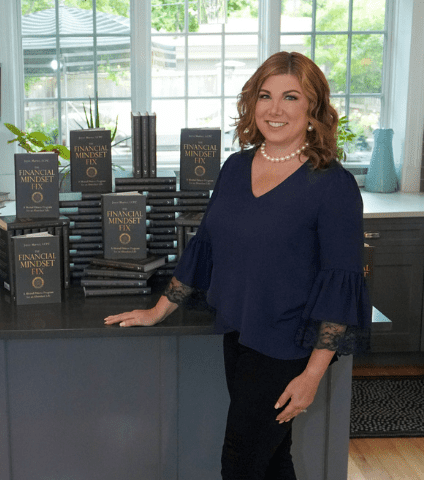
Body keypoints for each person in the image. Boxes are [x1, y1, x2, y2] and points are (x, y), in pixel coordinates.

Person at [104, 51, 371, 480]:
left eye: (291, 97)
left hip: (287, 346)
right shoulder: (236, 167)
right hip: (241, 334)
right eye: (265, 96)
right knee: (272, 459)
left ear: (313, 108)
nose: (275, 109)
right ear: (252, 103)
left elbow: (341, 285)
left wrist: (312, 375)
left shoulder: (333, 185)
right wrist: (158, 310)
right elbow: (206, 246)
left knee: (241, 464)